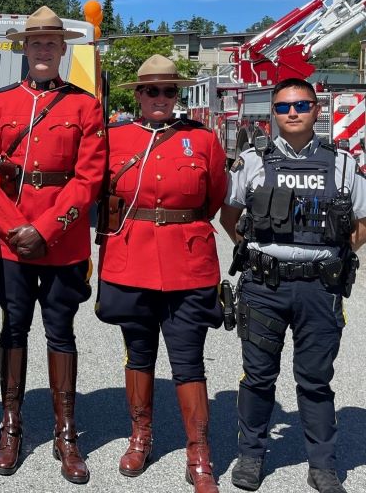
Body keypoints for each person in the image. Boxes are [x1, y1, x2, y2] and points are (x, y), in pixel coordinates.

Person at [0, 6, 106, 484]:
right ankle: (10, 425)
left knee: (60, 332)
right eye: (36, 42)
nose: (44, 49)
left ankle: (66, 432)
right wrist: (14, 227)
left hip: (62, 242)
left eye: (52, 42)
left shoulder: (85, 106)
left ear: (63, 48)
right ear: (24, 48)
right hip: (10, 241)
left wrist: (47, 229)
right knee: (13, 328)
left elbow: (89, 178)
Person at [220, 77, 366, 493]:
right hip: (263, 288)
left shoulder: (342, 164)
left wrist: (333, 256)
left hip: (319, 290)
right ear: (274, 113)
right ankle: (251, 456)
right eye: (283, 107)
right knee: (257, 376)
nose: (292, 113)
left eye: (301, 105)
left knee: (316, 379)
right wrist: (255, 252)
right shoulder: (252, 160)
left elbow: (362, 221)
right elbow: (229, 216)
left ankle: (323, 466)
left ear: (316, 110)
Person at [96, 54, 226, 493]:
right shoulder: (115, 137)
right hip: (131, 260)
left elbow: (213, 197)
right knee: (139, 354)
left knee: (188, 359)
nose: (160, 97)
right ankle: (141, 437)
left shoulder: (202, 139)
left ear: (177, 95)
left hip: (188, 264)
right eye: (151, 90)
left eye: (169, 90)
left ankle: (199, 452)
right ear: (137, 94)